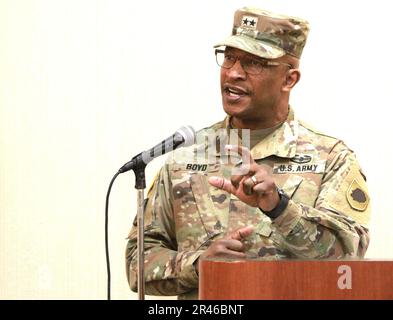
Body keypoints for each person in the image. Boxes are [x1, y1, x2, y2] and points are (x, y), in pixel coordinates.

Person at [125, 7, 371, 300]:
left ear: (289, 79)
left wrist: (279, 207)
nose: (234, 73)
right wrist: (198, 266)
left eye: (255, 63)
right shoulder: (185, 157)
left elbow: (346, 262)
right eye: (229, 57)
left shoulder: (332, 159)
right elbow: (137, 263)